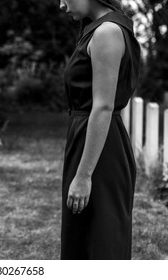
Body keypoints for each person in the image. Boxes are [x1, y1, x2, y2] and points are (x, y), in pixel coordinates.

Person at [59, 0, 141, 259]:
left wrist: (83, 176)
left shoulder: (107, 32)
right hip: (88, 139)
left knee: (102, 240)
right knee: (82, 237)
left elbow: (103, 107)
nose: (62, 5)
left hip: (100, 150)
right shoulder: (99, 30)